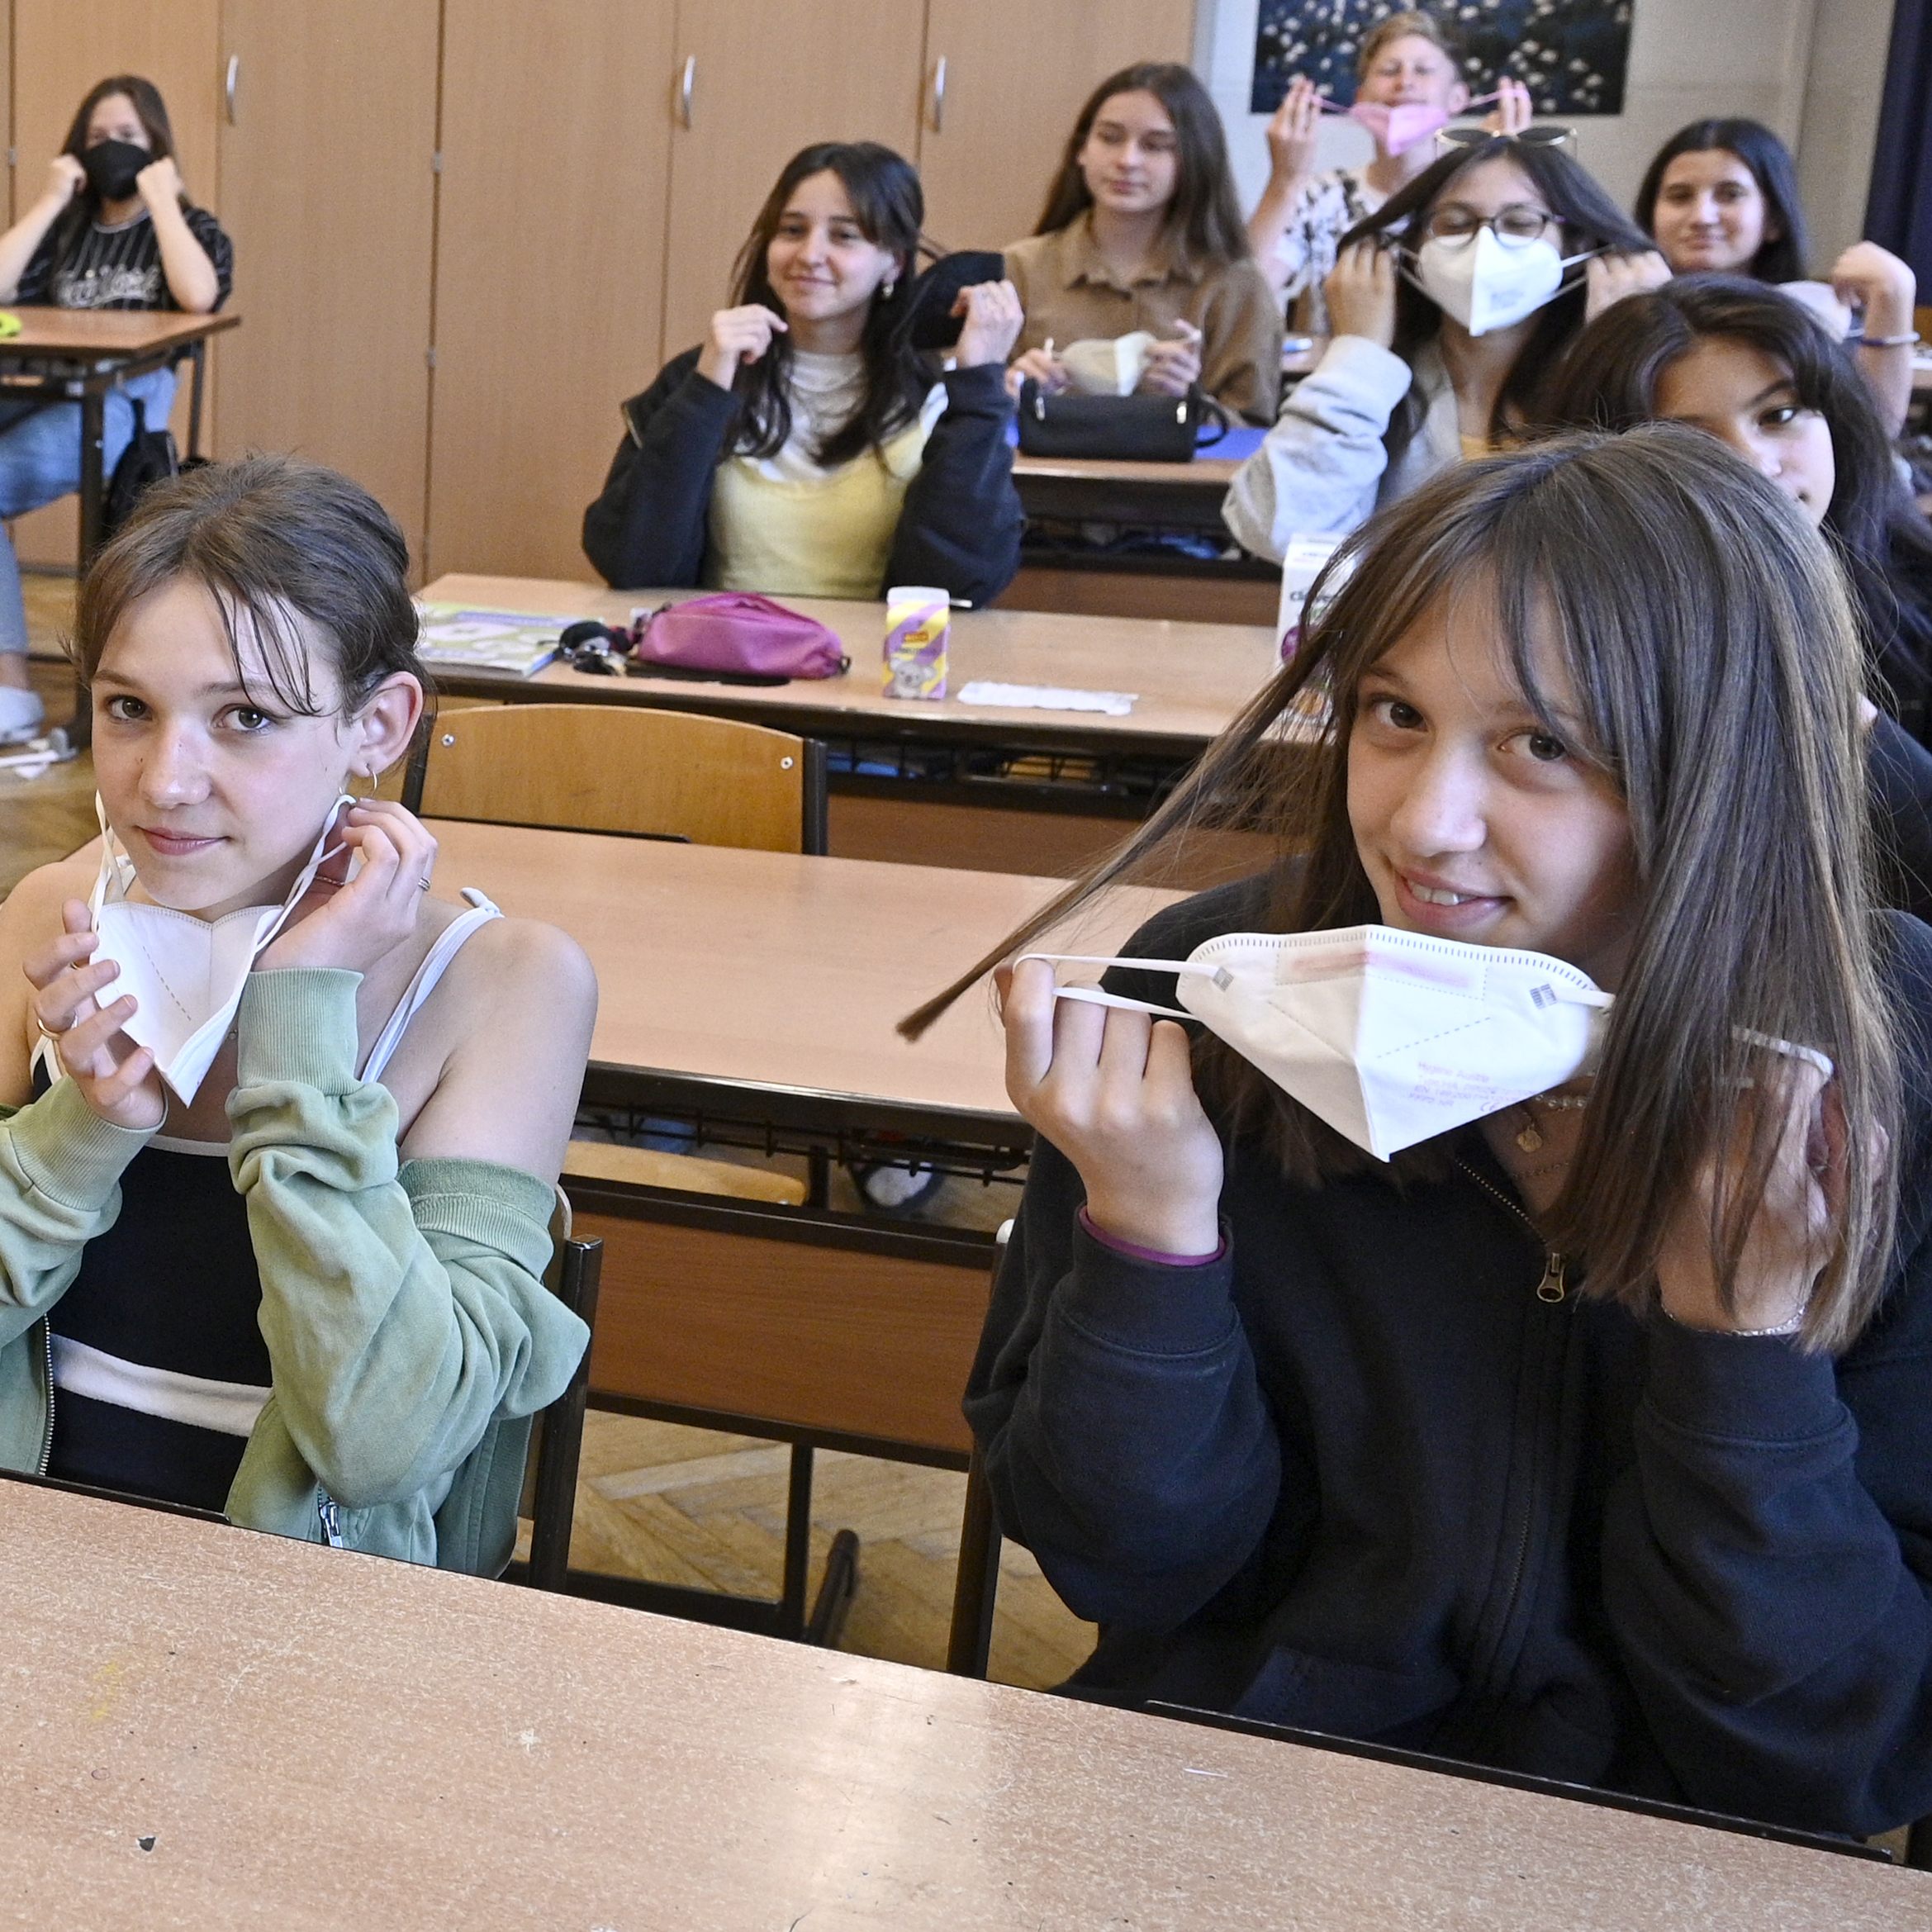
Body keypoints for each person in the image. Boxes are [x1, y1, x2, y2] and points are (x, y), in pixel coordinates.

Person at [901, 425, 1932, 1838]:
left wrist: (1737, 1360)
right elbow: (1119, 1569)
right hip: (1238, 1808)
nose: (1421, 821)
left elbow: (1841, 1743)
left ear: (1721, 762)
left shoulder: (1886, 1060)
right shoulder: (1224, 986)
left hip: (1675, 1854)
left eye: (1538, 743)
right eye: (1390, 713)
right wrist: (1149, 1246)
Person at [0, 454, 596, 1569]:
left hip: (305, 1618)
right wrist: (80, 1129)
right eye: (130, 706)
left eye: (246, 717)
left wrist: (299, 1020)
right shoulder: (49, 914)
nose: (164, 780)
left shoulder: (506, 982)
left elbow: (384, 1441)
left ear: (379, 724)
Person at [1536, 274, 1932, 923]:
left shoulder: (1906, 591)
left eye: (1778, 415)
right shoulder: (1562, 633)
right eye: (1689, 438)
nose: (1753, 462)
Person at [583, 141, 1023, 606]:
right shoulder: (706, 374)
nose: (810, 255)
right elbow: (630, 563)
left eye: (844, 236)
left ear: (893, 260)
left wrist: (980, 384)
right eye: (792, 230)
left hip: (873, 666)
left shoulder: (938, 396)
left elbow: (958, 585)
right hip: (717, 661)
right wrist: (705, 394)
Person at [1223, 136, 1664, 558]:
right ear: (1408, 248)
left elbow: (1646, 550)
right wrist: (1356, 355)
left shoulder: (1593, 383)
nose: (1485, 245)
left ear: (1581, 246)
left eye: (1521, 223)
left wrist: (1624, 355)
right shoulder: (1380, 384)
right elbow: (1277, 532)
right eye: (1454, 224)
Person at [0, 75, 233, 744]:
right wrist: (50, 200)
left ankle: (17, 683)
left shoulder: (190, 227)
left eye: (128, 137)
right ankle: (10, 681)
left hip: (124, 403)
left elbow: (198, 299)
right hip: (39, 393)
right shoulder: (67, 228)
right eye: (98, 138)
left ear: (155, 144)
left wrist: (165, 200)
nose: (112, 150)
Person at [1002, 64, 1283, 425]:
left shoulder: (1235, 284)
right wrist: (1008, 392)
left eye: (1155, 146)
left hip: (1181, 481)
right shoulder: (1020, 268)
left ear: (1193, 160)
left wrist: (1191, 405)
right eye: (1109, 137)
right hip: (1041, 479)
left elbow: (1254, 433)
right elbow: (963, 412)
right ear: (1081, 150)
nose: (1127, 161)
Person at [1246, 12, 1531, 335]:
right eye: (1388, 70)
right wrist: (1285, 180)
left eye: (1423, 70)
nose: (1404, 82)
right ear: (1360, 97)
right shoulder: (1323, 196)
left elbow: (1506, 304)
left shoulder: (1471, 203)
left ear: (1457, 98)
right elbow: (1245, 294)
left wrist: (1500, 175)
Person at [1635, 119, 1917, 434]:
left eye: (1730, 194)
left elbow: (1873, 437)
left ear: (1774, 221)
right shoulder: (1613, 300)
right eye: (1680, 196)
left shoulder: (1819, 312)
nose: (1702, 216)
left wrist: (1894, 297)